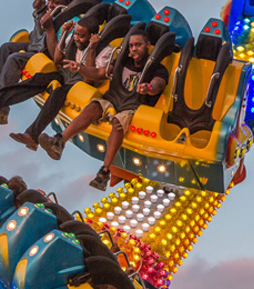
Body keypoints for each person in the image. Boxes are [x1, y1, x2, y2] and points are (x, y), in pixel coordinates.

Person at [39, 32, 169, 190]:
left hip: (133, 107)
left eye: (138, 45)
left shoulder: (158, 69)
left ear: (148, 45)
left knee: (118, 122)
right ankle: (59, 141)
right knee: (93, 107)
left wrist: (149, 87)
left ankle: (104, 172)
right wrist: (81, 69)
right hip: (113, 99)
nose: (134, 49)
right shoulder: (122, 61)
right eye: (131, 45)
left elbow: (158, 84)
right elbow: (100, 73)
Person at [6, 16, 114, 149]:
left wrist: (92, 49)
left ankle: (32, 135)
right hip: (65, 75)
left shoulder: (105, 51)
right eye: (76, 34)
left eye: (81, 36)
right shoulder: (73, 39)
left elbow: (89, 80)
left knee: (58, 93)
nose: (76, 38)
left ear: (93, 36)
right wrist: (63, 34)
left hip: (80, 85)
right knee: (39, 79)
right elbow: (57, 58)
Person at [0, 0, 70, 123]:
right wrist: (39, 9)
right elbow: (38, 33)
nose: (50, 5)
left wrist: (49, 23)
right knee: (6, 48)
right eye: (49, 1)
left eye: (54, 2)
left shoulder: (66, 18)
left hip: (44, 52)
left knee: (14, 59)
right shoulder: (49, 11)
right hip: (35, 45)